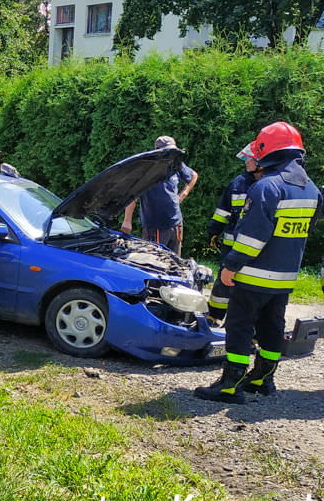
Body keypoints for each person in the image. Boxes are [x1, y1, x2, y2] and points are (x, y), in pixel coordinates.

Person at [195, 122, 322, 404]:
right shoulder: (311, 190)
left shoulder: (266, 187)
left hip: (252, 276)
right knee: (272, 328)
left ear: (267, 151)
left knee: (239, 328)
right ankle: (264, 379)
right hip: (285, 277)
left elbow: (253, 237)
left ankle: (230, 385)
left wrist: (231, 265)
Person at [205, 144, 264, 321]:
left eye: (249, 159)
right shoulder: (238, 183)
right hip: (231, 246)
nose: (246, 163)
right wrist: (214, 230)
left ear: (261, 161)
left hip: (256, 249)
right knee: (223, 282)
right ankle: (214, 315)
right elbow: (223, 210)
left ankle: (243, 324)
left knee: (248, 287)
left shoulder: (269, 184)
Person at [121, 136, 198, 255]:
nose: (170, 155)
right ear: (158, 151)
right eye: (167, 151)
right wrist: (127, 221)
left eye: (172, 151)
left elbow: (193, 176)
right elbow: (132, 196)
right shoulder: (145, 170)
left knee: (175, 263)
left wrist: (184, 193)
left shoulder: (176, 164)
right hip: (155, 227)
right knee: (154, 264)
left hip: (176, 223)